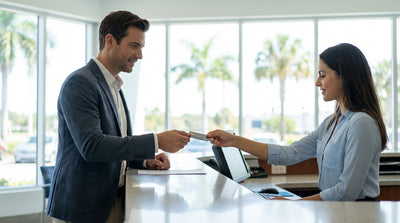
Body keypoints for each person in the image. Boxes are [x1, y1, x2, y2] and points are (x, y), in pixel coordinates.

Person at [47, 11, 190, 223]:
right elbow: (92, 146)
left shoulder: (114, 85)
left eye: (141, 47)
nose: (140, 55)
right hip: (83, 210)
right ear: (110, 41)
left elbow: (116, 144)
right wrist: (157, 141)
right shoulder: (80, 83)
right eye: (134, 46)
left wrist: (144, 161)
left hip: (111, 203)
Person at [207, 43, 387, 201]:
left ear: (345, 76)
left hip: (357, 213)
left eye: (323, 75)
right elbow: (290, 153)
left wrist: (296, 204)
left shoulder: (361, 123)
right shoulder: (330, 123)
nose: (317, 82)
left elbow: (347, 192)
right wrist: (234, 141)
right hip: (334, 210)